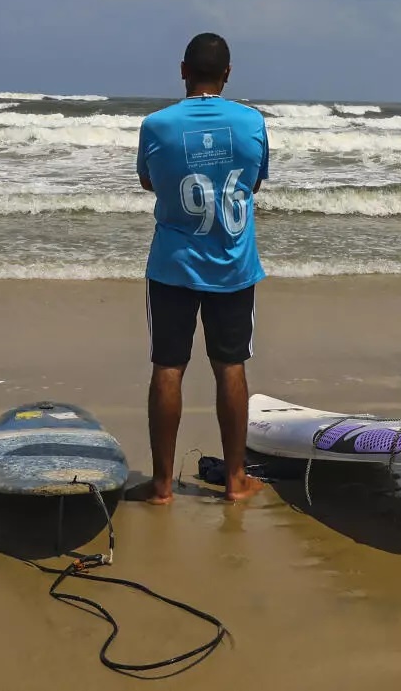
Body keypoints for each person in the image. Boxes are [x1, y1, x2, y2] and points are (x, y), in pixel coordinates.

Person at [136, 33, 270, 503]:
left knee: (168, 367)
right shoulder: (252, 123)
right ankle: (235, 480)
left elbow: (148, 180)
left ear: (182, 70)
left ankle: (161, 485)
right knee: (230, 366)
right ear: (228, 73)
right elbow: (253, 184)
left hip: (173, 264)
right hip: (232, 263)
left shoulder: (157, 125)